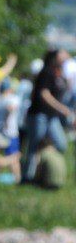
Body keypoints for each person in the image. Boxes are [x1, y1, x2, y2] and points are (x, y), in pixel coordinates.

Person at [22, 49, 72, 183]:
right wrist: (62, 108)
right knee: (33, 146)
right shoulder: (46, 72)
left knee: (61, 143)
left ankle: (45, 169)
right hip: (39, 114)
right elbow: (44, 94)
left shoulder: (59, 74)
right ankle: (27, 177)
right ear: (55, 57)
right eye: (62, 53)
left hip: (51, 116)